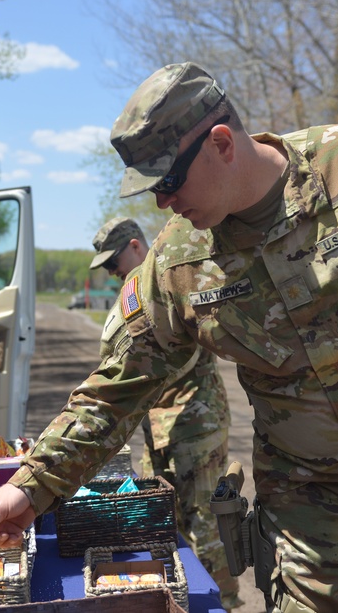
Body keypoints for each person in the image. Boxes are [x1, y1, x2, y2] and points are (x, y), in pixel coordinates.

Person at [0, 63, 338, 612]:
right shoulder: (177, 264)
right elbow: (116, 387)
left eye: (169, 181)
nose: (163, 204)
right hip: (308, 524)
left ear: (221, 143)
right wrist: (31, 486)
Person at [89, 216, 240, 609]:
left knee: (205, 524)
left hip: (194, 424)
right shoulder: (135, 292)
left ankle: (222, 604)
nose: (111, 272)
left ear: (136, 247)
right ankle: (181, 599)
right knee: (158, 520)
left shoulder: (176, 279)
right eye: (105, 267)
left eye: (113, 262)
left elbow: (170, 362)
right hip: (157, 428)